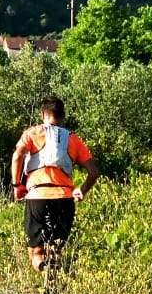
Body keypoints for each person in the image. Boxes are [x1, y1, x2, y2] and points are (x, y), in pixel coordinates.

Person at [10, 97, 98, 273]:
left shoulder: (32, 134)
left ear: (43, 114)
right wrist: (82, 189)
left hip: (38, 198)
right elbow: (94, 172)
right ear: (63, 116)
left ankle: (42, 265)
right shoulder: (73, 139)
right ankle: (52, 292)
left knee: (36, 251)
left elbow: (18, 156)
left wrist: (17, 185)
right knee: (56, 249)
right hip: (64, 199)